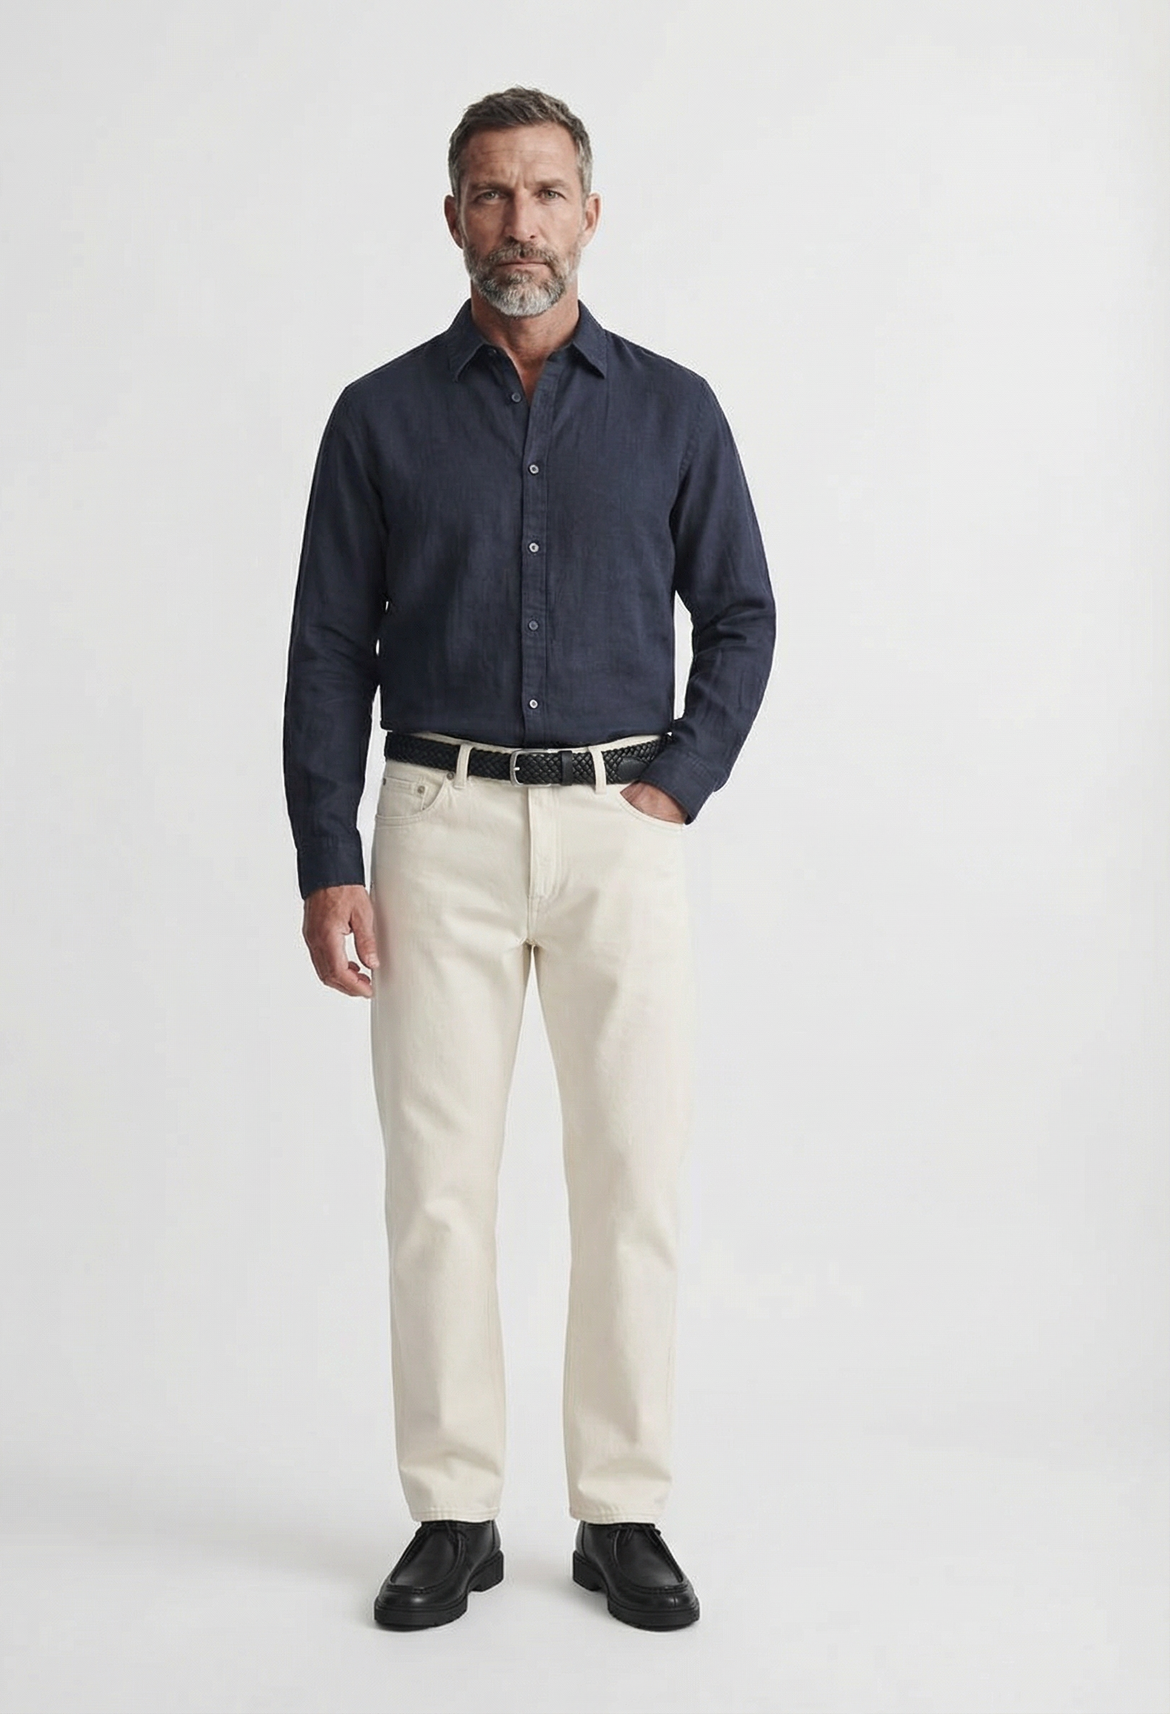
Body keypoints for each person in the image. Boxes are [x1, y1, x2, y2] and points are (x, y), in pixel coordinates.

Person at [283, 86, 775, 1631]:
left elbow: (743, 614)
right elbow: (326, 648)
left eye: (547, 193)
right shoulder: (378, 417)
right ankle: (454, 1509)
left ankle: (621, 1510)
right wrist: (327, 852)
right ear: (453, 219)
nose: (521, 223)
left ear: (591, 213)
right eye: (491, 195)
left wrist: (678, 783)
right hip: (437, 825)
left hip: (620, 825)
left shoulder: (676, 410)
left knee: (631, 1170)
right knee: (438, 1183)